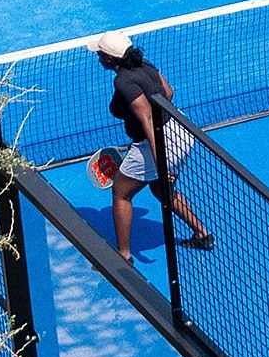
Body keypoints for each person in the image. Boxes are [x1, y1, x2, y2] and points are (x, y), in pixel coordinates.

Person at [90, 31, 218, 261]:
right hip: (181, 131)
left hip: (159, 141)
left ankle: (123, 255)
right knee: (161, 189)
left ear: (109, 58)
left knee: (121, 194)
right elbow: (168, 93)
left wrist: (161, 165)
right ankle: (202, 234)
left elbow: (148, 120)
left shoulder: (123, 81)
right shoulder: (144, 64)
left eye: (100, 53)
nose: (98, 57)